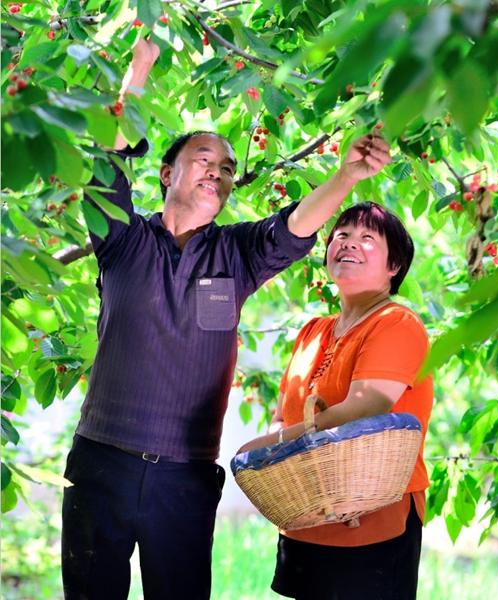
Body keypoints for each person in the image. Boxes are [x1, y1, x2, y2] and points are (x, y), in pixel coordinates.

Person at [60, 38, 392, 600]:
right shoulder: (123, 238)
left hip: (185, 478)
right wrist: (139, 68)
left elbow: (293, 227)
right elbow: (104, 167)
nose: (218, 173)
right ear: (167, 174)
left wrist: (345, 179)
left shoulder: (235, 255)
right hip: (101, 467)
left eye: (228, 169)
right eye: (204, 161)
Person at [238, 202, 433, 599]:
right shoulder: (312, 331)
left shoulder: (396, 323)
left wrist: (268, 446)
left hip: (374, 520)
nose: (349, 244)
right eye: (341, 235)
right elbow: (285, 414)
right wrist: (276, 442)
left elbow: (365, 408)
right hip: (307, 517)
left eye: (367, 238)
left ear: (394, 266)